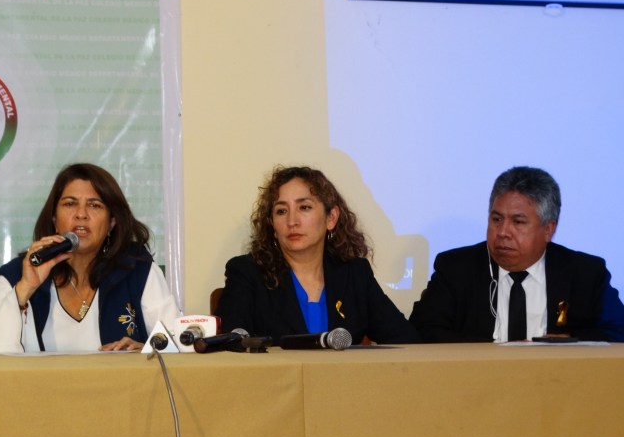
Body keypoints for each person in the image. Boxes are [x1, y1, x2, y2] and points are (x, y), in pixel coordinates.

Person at [0, 163, 180, 353]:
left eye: (95, 205)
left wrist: (146, 351)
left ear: (111, 223)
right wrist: (25, 288)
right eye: (70, 204)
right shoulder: (18, 273)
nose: (81, 214)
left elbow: (179, 343)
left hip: (121, 386)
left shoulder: (137, 271)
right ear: (54, 219)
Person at [409, 166, 624, 343]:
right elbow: (422, 331)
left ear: (548, 230)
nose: (503, 232)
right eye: (496, 219)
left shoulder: (585, 273)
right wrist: (495, 353)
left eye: (518, 222)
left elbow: (618, 331)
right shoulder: (456, 269)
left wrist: (568, 342)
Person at [215, 165, 419, 345]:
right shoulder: (246, 272)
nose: (292, 221)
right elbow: (233, 346)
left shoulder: (355, 273)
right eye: (281, 211)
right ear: (272, 225)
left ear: (331, 218)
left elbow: (406, 340)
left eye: (304, 207)